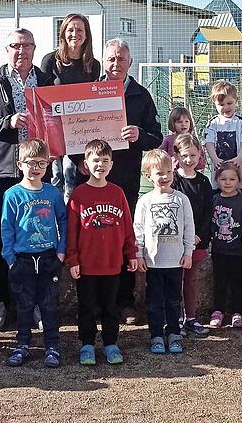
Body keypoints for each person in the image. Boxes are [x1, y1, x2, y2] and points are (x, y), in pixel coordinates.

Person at [0, 29, 53, 331]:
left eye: (27, 45)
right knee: (1, 237)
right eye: (16, 46)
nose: (21, 51)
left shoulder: (45, 81)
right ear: (7, 49)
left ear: (34, 48)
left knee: (38, 235)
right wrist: (8, 121)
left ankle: (36, 304)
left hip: (37, 171)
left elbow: (57, 121)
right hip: (1, 171)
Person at [78, 38, 163, 324]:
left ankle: (124, 301)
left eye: (121, 59)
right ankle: (95, 302)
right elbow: (77, 130)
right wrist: (80, 158)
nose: (116, 64)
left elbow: (156, 137)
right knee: (94, 237)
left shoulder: (141, 95)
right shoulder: (91, 91)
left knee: (123, 236)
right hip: (93, 181)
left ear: (130, 61)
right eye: (111, 59)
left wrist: (140, 135)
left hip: (125, 179)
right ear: (104, 61)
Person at [66, 139, 137, 366]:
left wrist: (131, 253)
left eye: (105, 161)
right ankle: (87, 344)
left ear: (111, 164)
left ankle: (110, 343)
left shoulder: (117, 193)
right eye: (96, 160)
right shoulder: (78, 195)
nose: (100, 165)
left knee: (111, 306)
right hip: (86, 264)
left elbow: (127, 226)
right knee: (86, 306)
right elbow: (72, 231)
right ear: (86, 164)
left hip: (112, 263)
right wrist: (73, 259)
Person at [1, 139, 67, 368]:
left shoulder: (52, 193)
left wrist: (61, 250)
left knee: (49, 304)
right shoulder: (12, 194)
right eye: (31, 163)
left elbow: (63, 220)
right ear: (20, 164)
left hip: (49, 258)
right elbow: (6, 227)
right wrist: (10, 258)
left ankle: (52, 345)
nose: (36, 168)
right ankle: (22, 344)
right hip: (23, 260)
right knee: (24, 305)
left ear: (48, 166)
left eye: (42, 163)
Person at [135, 149, 194, 355]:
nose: (165, 177)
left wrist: (188, 252)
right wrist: (139, 254)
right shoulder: (144, 201)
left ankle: (174, 334)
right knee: (154, 301)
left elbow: (188, 227)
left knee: (173, 300)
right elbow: (139, 230)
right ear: (148, 175)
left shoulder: (181, 200)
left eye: (168, 172)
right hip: (153, 262)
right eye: (159, 173)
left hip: (175, 261)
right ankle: (156, 335)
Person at [39, 14, 102, 201]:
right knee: (56, 176)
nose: (75, 34)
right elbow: (43, 99)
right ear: (63, 33)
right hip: (55, 130)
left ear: (87, 34)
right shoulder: (50, 61)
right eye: (71, 30)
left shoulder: (94, 65)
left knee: (73, 178)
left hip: (79, 131)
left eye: (80, 30)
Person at [171, 133, 212, 335]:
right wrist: (183, 235)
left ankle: (191, 318)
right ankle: (176, 318)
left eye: (193, 156)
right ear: (176, 155)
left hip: (197, 242)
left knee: (191, 279)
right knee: (176, 279)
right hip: (176, 242)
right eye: (185, 155)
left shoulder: (204, 182)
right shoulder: (173, 181)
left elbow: (207, 212)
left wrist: (198, 235)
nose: (189, 160)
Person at [210, 162, 242, 329]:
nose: (227, 182)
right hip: (219, 249)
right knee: (219, 281)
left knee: (237, 282)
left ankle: (236, 312)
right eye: (223, 179)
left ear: (239, 180)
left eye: (232, 179)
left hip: (238, 250)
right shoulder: (214, 199)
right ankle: (218, 311)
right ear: (217, 180)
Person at [204, 80, 242, 192]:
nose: (225, 107)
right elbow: (209, 143)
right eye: (221, 104)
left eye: (229, 103)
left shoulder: (241, 123)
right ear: (214, 104)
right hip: (219, 171)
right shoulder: (213, 123)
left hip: (239, 171)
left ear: (236, 101)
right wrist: (215, 159)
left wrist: (239, 158)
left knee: (241, 199)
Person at [160, 107, 206, 172]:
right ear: (173, 123)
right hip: (173, 173)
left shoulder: (192, 140)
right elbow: (160, 156)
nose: (183, 124)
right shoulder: (168, 140)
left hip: (190, 172)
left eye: (186, 121)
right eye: (179, 122)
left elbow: (200, 157)